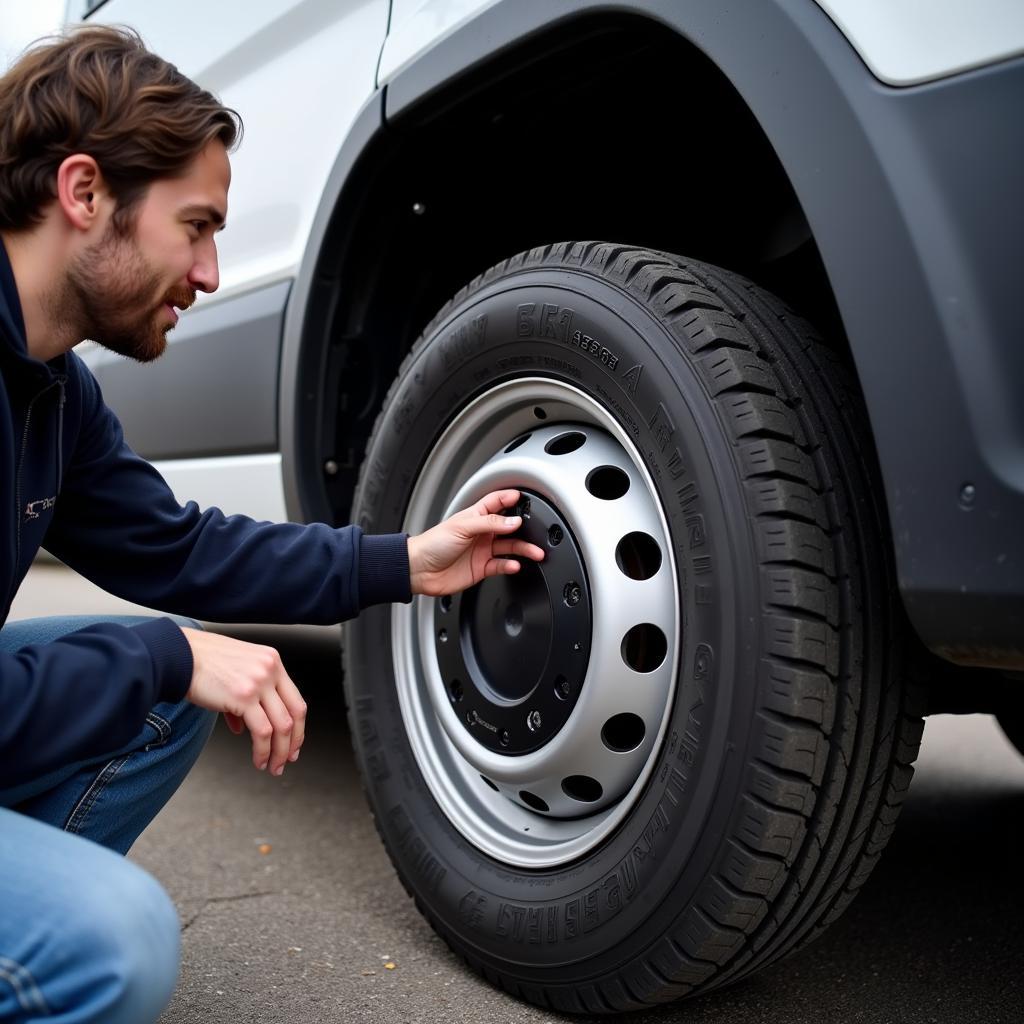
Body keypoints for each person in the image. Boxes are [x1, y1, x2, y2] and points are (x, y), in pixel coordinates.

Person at [0, 26, 544, 1024]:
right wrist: (166, 652)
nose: (209, 274)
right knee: (109, 941)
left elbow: (182, 549)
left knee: (170, 698)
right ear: (84, 194)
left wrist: (408, 562)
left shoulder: (53, 394)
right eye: (196, 225)